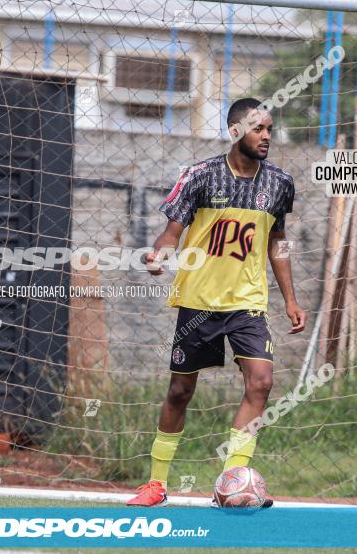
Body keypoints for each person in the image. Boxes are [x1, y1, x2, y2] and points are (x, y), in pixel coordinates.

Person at [126, 98, 306, 507]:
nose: (266, 137)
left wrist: (290, 300)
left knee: (261, 383)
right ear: (236, 131)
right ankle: (156, 483)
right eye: (259, 129)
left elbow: (277, 242)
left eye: (270, 130)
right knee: (179, 391)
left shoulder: (279, 183)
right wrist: (159, 256)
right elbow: (171, 233)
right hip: (199, 302)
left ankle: (231, 483)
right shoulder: (199, 176)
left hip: (248, 302)